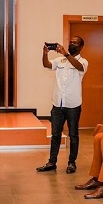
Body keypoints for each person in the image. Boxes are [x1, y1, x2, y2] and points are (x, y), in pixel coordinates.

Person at [36, 36, 87, 174]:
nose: (72, 44)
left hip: (73, 104)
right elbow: (46, 64)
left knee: (73, 135)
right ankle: (52, 162)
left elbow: (79, 68)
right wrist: (45, 53)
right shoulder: (60, 60)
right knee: (55, 135)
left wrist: (66, 53)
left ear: (81, 47)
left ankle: (72, 163)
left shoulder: (83, 62)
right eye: (71, 42)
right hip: (58, 103)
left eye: (75, 43)